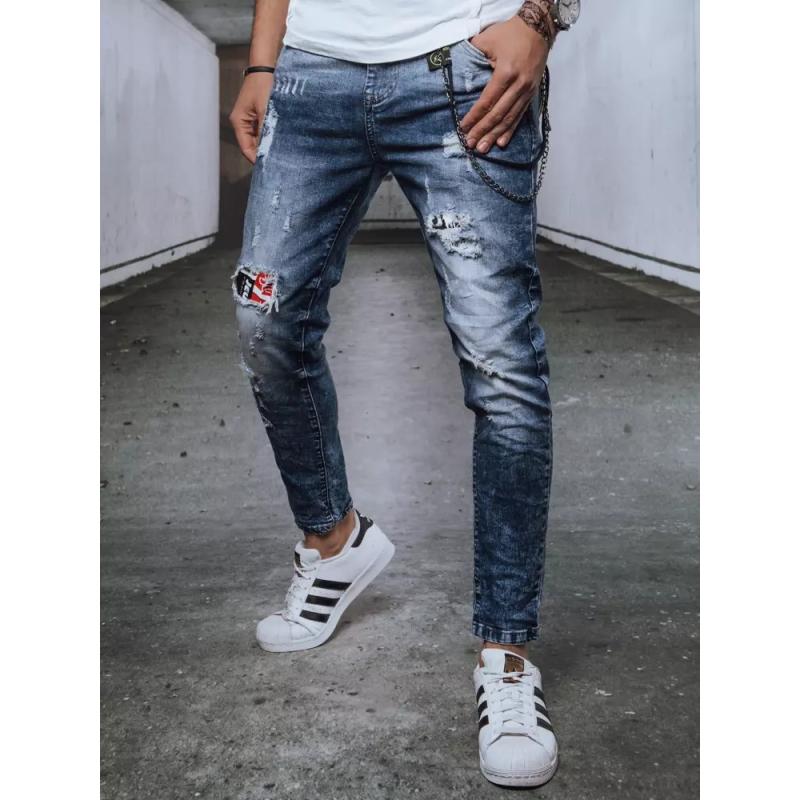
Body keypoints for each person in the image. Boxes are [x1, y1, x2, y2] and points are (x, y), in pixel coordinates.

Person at [229, 0, 580, 787]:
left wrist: (540, 18)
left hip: (462, 67)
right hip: (311, 74)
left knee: (501, 364)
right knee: (265, 318)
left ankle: (506, 652)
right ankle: (335, 543)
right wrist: (262, 60)